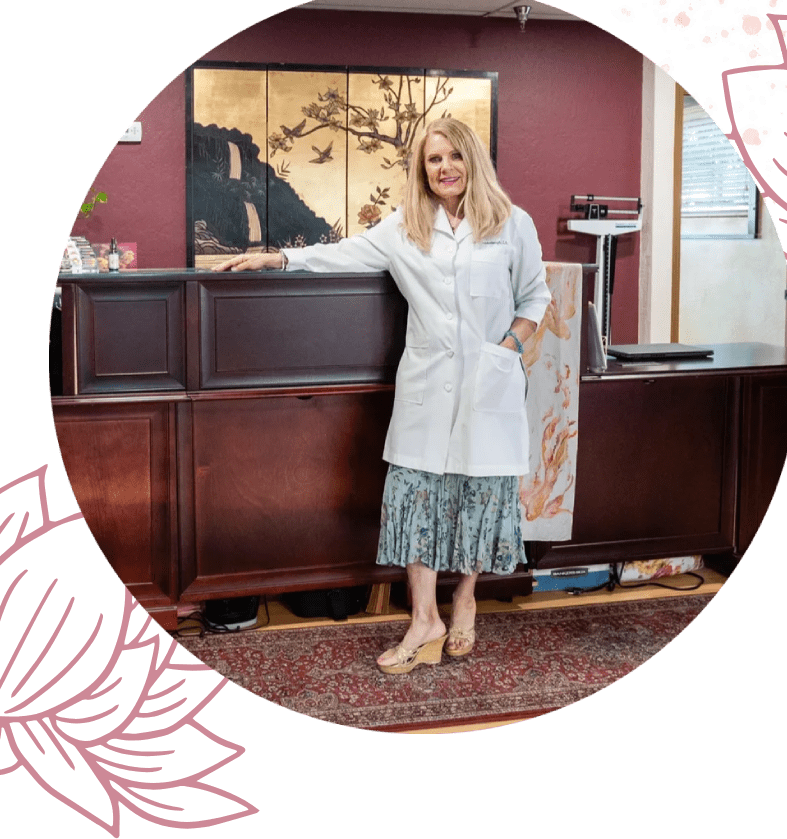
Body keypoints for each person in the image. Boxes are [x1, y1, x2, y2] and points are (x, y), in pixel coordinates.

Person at [213, 117, 551, 674]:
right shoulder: (404, 226)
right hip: (425, 387)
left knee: (476, 496)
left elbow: (535, 297)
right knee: (415, 501)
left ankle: (463, 598)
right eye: (433, 160)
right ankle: (424, 620)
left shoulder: (513, 225)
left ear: (473, 160)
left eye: (453, 157)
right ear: (423, 169)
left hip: (489, 383)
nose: (444, 169)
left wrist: (508, 347)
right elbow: (341, 253)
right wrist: (278, 258)